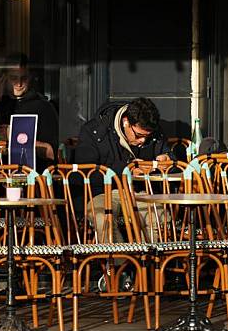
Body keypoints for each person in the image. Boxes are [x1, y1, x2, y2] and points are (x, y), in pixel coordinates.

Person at [74, 97, 172, 243]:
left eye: (147, 137)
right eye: (139, 135)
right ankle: (120, 263)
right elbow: (83, 172)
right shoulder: (94, 130)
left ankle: (147, 262)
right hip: (102, 191)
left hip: (139, 191)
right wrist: (126, 169)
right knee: (102, 219)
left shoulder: (153, 132)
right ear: (126, 121)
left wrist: (167, 158)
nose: (142, 141)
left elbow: (169, 157)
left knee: (159, 217)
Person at [0, 53, 59, 168]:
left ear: (30, 78)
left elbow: (51, 153)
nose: (19, 84)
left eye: (23, 78)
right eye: (13, 78)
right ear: (4, 78)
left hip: (30, 176)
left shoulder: (44, 107)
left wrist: (16, 138)